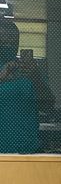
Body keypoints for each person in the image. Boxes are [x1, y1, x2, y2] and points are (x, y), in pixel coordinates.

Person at [0, 19, 39, 153]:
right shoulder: (6, 70)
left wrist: (36, 78)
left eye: (12, 41)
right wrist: (1, 78)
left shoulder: (27, 69)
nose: (8, 45)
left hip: (27, 148)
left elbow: (49, 104)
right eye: (3, 42)